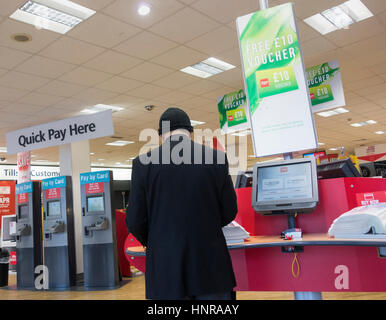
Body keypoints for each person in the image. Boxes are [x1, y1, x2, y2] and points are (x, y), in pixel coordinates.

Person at [126, 107, 238, 300]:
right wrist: (206, 227)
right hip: (211, 265)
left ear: (161, 136)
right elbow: (229, 210)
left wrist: (155, 239)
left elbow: (135, 220)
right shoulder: (217, 158)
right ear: (191, 133)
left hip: (165, 268)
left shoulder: (142, 164)